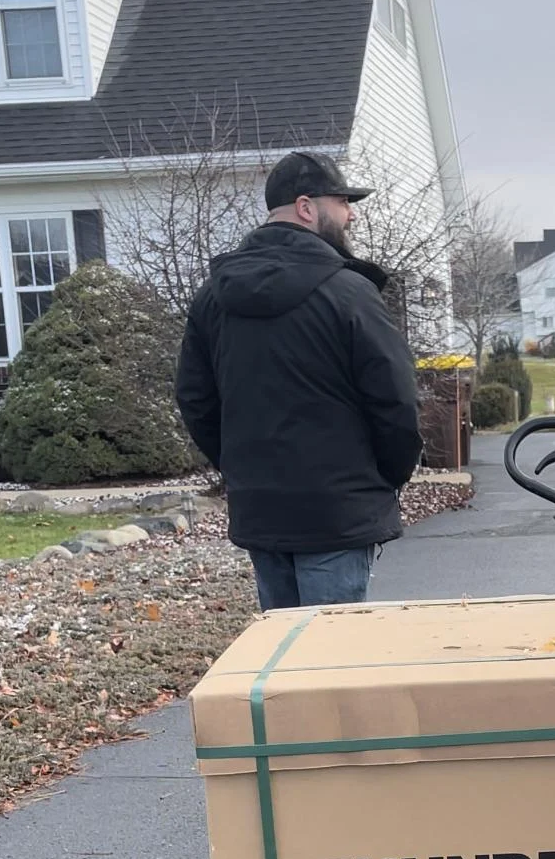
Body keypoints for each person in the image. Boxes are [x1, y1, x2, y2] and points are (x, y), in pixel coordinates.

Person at [175, 149, 423, 610]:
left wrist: (241, 469)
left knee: (286, 660)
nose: (349, 215)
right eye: (343, 202)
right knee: (332, 663)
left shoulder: (213, 298)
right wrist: (387, 475)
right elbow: (396, 401)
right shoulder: (349, 293)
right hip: (339, 512)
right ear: (307, 207)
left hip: (263, 508)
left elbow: (196, 401)